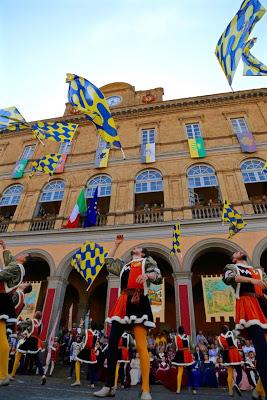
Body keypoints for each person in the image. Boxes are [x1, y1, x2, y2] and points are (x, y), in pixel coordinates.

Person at [94, 234, 162, 400]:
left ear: (143, 253)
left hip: (139, 303)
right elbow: (108, 262)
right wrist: (116, 244)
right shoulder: (125, 266)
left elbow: (157, 275)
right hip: (123, 303)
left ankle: (146, 390)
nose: (135, 248)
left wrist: (148, 276)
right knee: (111, 345)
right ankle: (109, 386)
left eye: (138, 248)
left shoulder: (147, 262)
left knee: (141, 347)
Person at [223, 251, 267, 394]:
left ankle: (259, 390)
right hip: (248, 307)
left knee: (264, 349)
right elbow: (229, 279)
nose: (237, 251)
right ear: (234, 259)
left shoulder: (258, 271)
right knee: (262, 349)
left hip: (262, 306)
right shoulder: (232, 268)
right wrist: (252, 281)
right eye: (235, 253)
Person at [0, 239, 30, 386]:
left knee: (1, 337)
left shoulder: (17, 267)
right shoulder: (15, 265)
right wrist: (4, 247)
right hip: (3, 300)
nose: (21, 253)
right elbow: (8, 260)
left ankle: (4, 374)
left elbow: (2, 273)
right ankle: (4, 373)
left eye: (24, 254)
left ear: (23, 259)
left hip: (1, 299)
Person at [10, 311, 46, 385]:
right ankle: (43, 375)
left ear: (35, 315)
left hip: (30, 340)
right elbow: (32, 330)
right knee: (37, 360)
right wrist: (26, 332)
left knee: (18, 354)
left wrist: (16, 321)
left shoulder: (31, 321)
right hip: (36, 341)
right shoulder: (41, 324)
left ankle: (12, 374)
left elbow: (21, 324)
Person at [218, 325, 243, 397]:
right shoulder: (232, 333)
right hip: (234, 352)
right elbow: (238, 337)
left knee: (230, 373)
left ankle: (230, 392)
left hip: (226, 354)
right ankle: (236, 384)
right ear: (227, 329)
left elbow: (222, 348)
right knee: (239, 372)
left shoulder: (219, 337)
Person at [171, 326, 196, 395]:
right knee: (190, 372)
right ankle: (193, 389)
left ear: (178, 331)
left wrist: (176, 349)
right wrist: (191, 353)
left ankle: (178, 389)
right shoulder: (188, 337)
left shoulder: (175, 337)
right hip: (186, 354)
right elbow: (192, 346)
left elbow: (172, 347)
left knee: (180, 372)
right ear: (183, 330)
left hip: (179, 355)